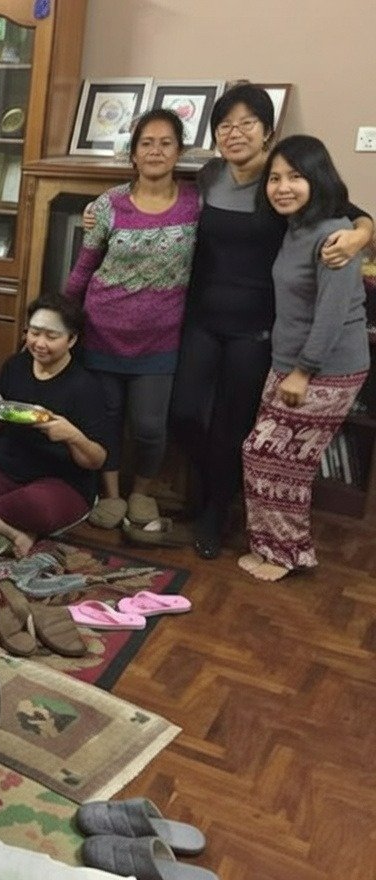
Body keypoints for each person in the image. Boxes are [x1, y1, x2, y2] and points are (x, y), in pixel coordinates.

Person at [166, 84, 373, 559]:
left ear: (268, 131)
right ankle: (219, 485)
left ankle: (215, 511)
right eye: (224, 125)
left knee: (231, 424)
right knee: (183, 413)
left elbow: (352, 215)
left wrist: (360, 235)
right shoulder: (211, 175)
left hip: (257, 328)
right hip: (203, 319)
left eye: (246, 124)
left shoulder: (281, 183)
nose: (234, 133)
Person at [238, 136, 370, 582]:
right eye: (274, 178)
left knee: (277, 461)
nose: (283, 187)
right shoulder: (294, 228)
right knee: (266, 458)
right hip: (288, 360)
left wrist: (302, 372)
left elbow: (332, 315)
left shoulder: (335, 237)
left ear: (317, 178)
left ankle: (289, 553)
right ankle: (270, 547)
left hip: (324, 369)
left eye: (295, 176)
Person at [64, 108, 200, 532]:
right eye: (147, 143)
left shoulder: (198, 202)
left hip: (160, 340)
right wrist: (61, 319)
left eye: (166, 143)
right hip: (102, 330)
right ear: (134, 153)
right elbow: (85, 267)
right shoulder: (108, 204)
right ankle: (111, 495)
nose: (156, 151)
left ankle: (142, 491)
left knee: (148, 425)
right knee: (105, 419)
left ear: (179, 151)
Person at [0, 295, 109, 556]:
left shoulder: (86, 386)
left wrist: (72, 436)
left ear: (72, 339)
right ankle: (12, 530)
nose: (39, 343)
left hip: (61, 480)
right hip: (6, 466)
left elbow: (96, 460)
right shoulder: (15, 366)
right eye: (34, 333)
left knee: (35, 506)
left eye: (51, 336)